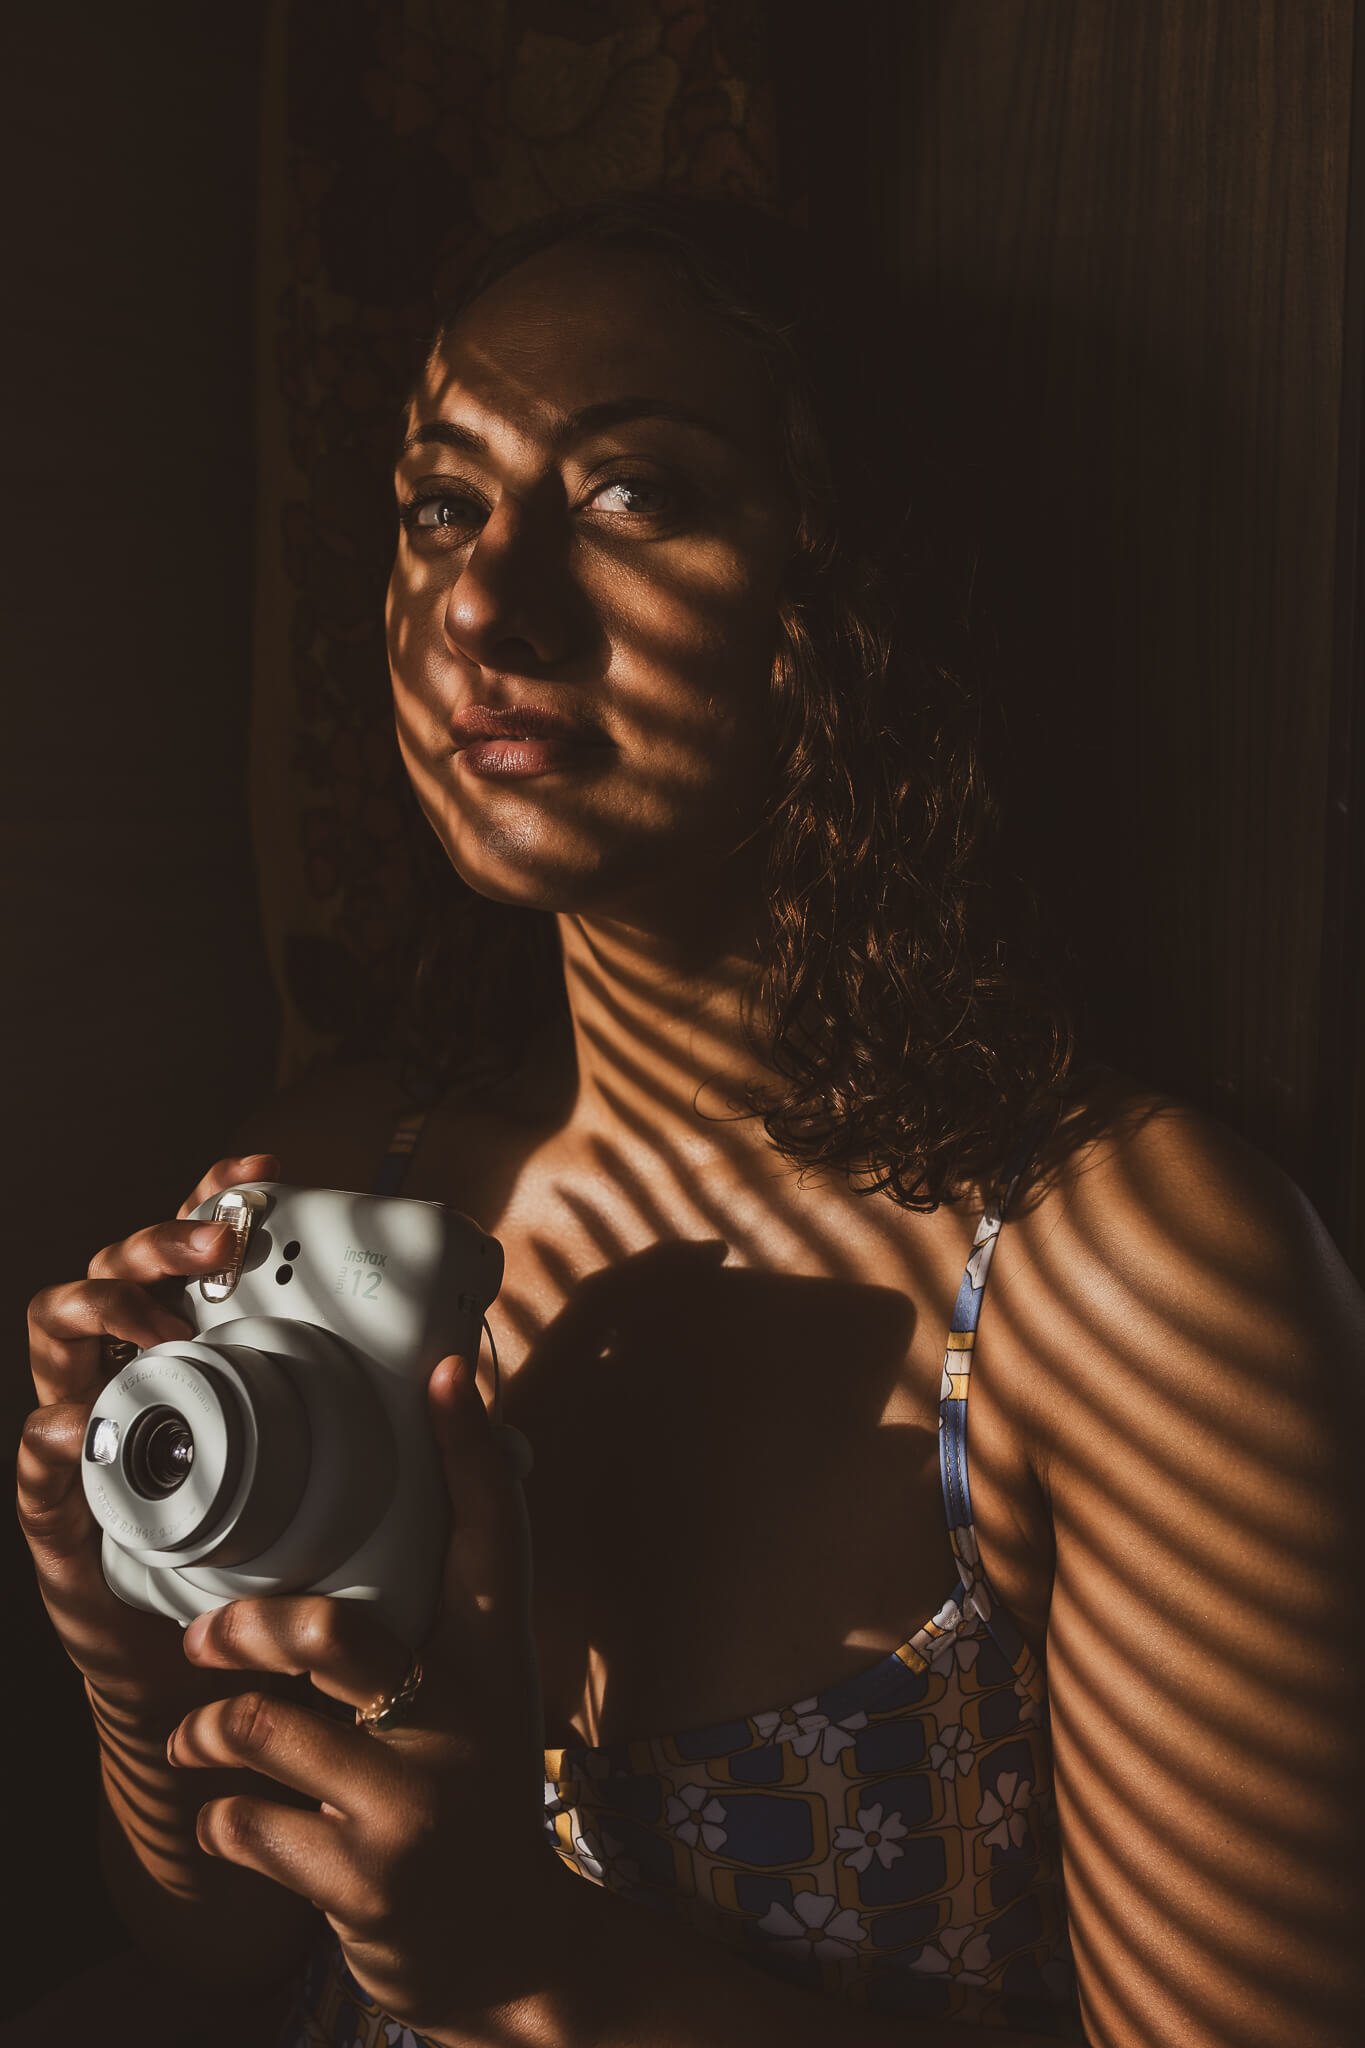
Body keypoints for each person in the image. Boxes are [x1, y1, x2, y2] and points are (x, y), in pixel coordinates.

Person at [19, 192, 1365, 2048]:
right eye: (440, 507)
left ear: (846, 581)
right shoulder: (325, 1198)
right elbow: (221, 1946)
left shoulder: (1126, 1279)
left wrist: (534, 1965)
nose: (483, 601)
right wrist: (123, 1659)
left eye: (631, 493)